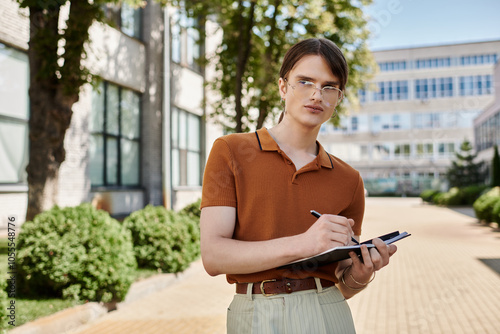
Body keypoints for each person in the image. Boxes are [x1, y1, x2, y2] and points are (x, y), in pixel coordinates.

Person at [200, 38, 397, 334]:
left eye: (329, 86)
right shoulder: (230, 151)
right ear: (283, 86)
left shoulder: (349, 179)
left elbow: (342, 283)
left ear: (338, 98)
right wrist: (305, 244)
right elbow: (213, 256)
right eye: (305, 81)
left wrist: (361, 273)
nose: (317, 95)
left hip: (329, 312)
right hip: (255, 314)